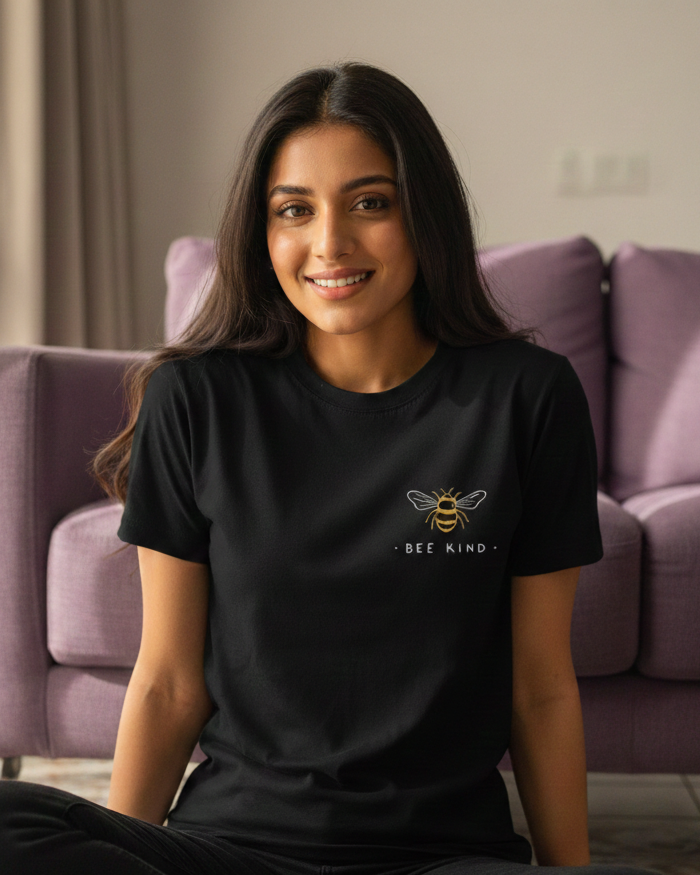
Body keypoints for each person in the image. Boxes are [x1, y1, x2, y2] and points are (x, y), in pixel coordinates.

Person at [0, 61, 662, 875]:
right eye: (294, 211)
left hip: (440, 856)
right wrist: (135, 852)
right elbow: (170, 682)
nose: (330, 245)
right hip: (235, 848)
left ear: (425, 215)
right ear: (261, 230)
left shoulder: (526, 397)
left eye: (370, 203)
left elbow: (541, 688)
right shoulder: (195, 396)